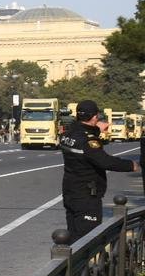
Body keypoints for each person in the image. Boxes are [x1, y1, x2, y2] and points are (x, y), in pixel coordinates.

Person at [59, 99, 138, 239]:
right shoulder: (89, 141)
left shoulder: (67, 134)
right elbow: (105, 161)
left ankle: (70, 259)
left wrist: (96, 129)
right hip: (87, 196)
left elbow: (81, 132)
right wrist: (131, 165)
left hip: (70, 192)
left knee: (73, 234)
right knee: (87, 239)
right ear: (95, 117)